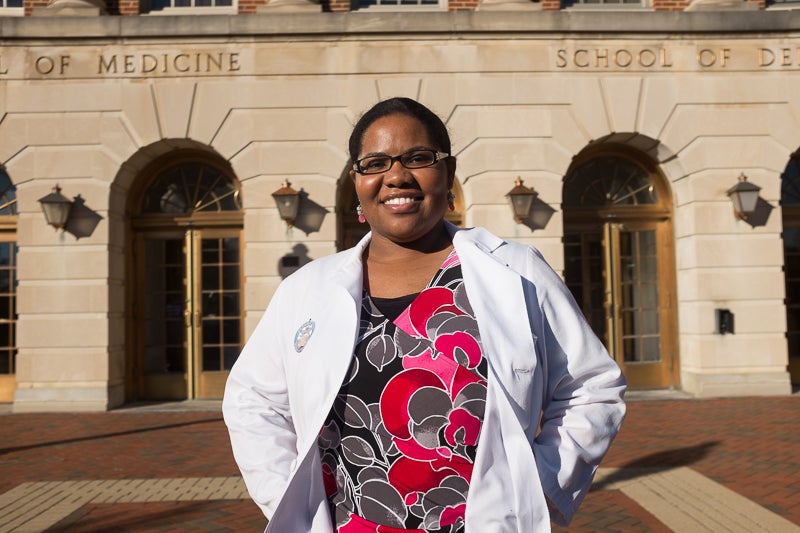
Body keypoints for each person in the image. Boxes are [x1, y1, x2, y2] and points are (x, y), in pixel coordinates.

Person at [222, 97, 626, 533]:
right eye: (375, 162)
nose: (396, 175)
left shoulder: (516, 271)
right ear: (357, 182)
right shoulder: (307, 289)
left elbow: (592, 387)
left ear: (448, 174)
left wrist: (542, 490)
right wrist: (287, 499)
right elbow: (253, 401)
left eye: (418, 158)